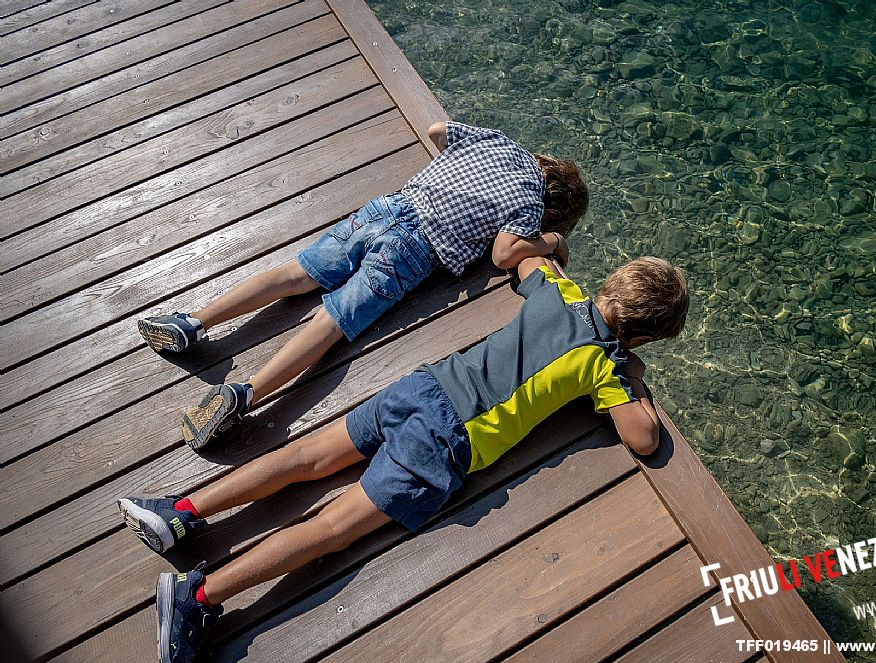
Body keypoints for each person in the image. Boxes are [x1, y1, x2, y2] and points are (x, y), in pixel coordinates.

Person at [118, 253, 689, 663]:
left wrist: (554, 244)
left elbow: (516, 253)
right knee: (332, 530)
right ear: (642, 335)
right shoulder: (604, 365)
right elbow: (643, 438)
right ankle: (199, 596)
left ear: (613, 285)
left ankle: (182, 511)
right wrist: (632, 376)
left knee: (304, 459)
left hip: (423, 388)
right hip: (445, 442)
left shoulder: (559, 291)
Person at [137, 121, 587, 449]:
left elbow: (435, 131)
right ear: (553, 206)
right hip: (413, 252)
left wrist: (456, 186)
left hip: (388, 208)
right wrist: (553, 241)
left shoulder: (496, 140)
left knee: (294, 274)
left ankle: (191, 322)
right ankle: (243, 394)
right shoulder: (529, 203)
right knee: (331, 322)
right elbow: (505, 255)